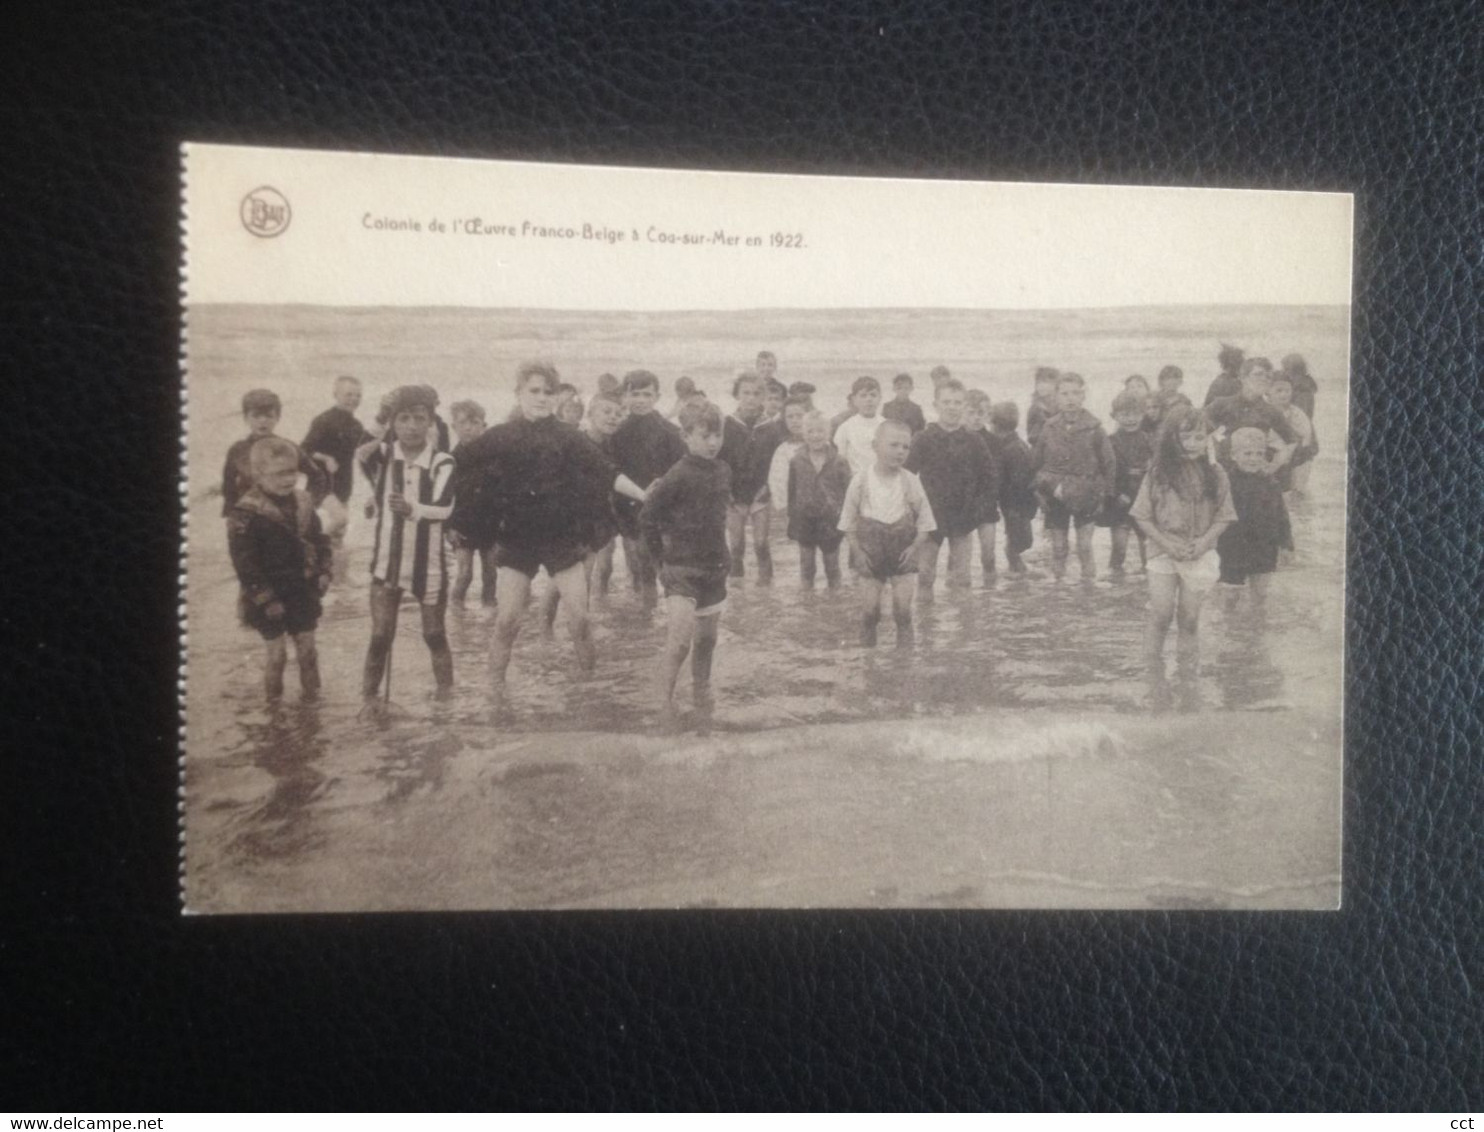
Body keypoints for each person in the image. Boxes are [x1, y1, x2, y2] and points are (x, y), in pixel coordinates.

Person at [447, 363, 648, 715]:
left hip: (562, 539)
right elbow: (453, 464)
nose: (541, 398)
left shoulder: (568, 435)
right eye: (534, 391)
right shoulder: (501, 434)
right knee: (508, 619)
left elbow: (607, 473)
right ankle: (494, 694)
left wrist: (645, 496)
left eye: (548, 392)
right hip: (518, 540)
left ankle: (589, 692)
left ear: (556, 397)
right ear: (519, 394)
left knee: (580, 619)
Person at [357, 386, 458, 716]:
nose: (412, 426)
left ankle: (446, 699)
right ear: (393, 423)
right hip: (387, 564)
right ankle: (369, 699)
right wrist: (381, 415)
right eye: (403, 419)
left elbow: (443, 509)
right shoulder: (383, 455)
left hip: (429, 566)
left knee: (434, 633)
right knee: (380, 636)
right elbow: (359, 449)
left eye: (419, 419)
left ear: (431, 422)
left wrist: (412, 508)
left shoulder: (443, 462)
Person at [1129, 406, 1237, 710]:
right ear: (1171, 438)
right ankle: (1152, 675)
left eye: (1199, 436)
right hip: (1162, 552)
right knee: (1160, 614)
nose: (1192, 443)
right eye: (1185, 436)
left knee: (1189, 620)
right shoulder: (1158, 473)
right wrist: (1165, 543)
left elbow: (1225, 516)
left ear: (1209, 439)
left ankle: (1188, 679)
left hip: (1199, 552)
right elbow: (1142, 516)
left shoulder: (1216, 473)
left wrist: (1204, 543)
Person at [641, 400, 732, 731]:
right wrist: (658, 562)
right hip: (680, 570)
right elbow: (648, 517)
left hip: (714, 569)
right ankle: (664, 704)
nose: (712, 443)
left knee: (707, 641)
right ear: (685, 435)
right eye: (704, 435)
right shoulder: (677, 474)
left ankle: (701, 696)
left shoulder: (723, 470)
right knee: (679, 642)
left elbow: (719, 516)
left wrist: (727, 556)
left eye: (717, 435)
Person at [226, 437, 332, 701]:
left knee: (308, 652)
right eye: (280, 473)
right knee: (278, 656)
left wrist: (324, 571)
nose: (289, 480)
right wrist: (266, 598)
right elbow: (244, 564)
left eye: (293, 472)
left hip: (300, 589)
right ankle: (274, 711)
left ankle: (313, 706)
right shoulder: (245, 513)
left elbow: (320, 541)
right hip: (267, 595)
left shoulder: (304, 502)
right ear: (258, 474)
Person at [839, 419, 936, 647]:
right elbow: (847, 523)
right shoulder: (860, 481)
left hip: (902, 554)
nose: (900, 451)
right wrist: (858, 554)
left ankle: (903, 665)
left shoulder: (911, 482)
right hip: (869, 554)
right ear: (875, 446)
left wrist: (914, 549)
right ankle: (868, 663)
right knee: (870, 613)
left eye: (906, 447)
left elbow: (925, 522)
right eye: (893, 445)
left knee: (903, 613)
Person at [908, 378, 997, 595]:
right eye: (946, 402)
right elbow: (907, 476)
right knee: (925, 576)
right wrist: (913, 510)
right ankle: (926, 624)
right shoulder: (923, 438)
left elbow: (989, 479)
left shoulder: (974, 440)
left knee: (963, 578)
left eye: (957, 403)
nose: (952, 407)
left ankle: (964, 627)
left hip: (963, 518)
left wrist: (977, 509)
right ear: (935, 405)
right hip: (930, 518)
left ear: (964, 406)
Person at [609, 370, 688, 604]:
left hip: (662, 508)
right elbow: (612, 471)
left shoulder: (670, 432)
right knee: (636, 564)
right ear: (625, 395)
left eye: (647, 394)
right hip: (627, 506)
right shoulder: (616, 432)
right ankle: (644, 616)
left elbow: (682, 471)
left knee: (660, 564)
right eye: (635, 394)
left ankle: (656, 612)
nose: (641, 400)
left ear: (657, 396)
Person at [1032, 372, 1114, 581]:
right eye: (1065, 393)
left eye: (1075, 393)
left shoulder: (1095, 428)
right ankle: (1059, 593)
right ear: (1056, 397)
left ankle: (1088, 592)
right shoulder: (1049, 427)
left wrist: (1105, 495)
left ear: (1083, 395)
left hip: (1086, 493)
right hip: (1055, 494)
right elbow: (1036, 462)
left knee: (1084, 547)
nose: (1070, 399)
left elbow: (1109, 464)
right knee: (1059, 548)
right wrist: (1040, 491)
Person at [1217, 427, 1293, 609]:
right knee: (1230, 596)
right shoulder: (1225, 481)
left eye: (1259, 453)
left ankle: (1255, 630)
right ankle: (1230, 630)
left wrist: (1287, 545)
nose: (1254, 458)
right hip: (1231, 546)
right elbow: (1214, 513)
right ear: (1234, 455)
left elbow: (1281, 515)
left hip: (1264, 546)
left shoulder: (1270, 481)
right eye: (1247, 453)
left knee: (1260, 595)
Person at [221, 389, 328, 517]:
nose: (262, 421)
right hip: (249, 517)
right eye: (256, 416)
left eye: (269, 416)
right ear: (246, 418)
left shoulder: (287, 447)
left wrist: (307, 505)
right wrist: (232, 514)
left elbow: (317, 477)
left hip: (281, 518)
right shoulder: (237, 450)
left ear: (277, 417)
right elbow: (229, 486)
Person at [300, 375, 373, 559]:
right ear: (336, 394)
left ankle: (338, 581)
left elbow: (367, 449)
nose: (354, 399)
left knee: (339, 537)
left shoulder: (356, 426)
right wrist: (325, 458)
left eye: (358, 395)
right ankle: (310, 548)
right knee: (341, 519)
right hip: (321, 484)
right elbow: (303, 450)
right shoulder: (323, 420)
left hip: (343, 485)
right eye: (348, 395)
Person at [718, 371, 777, 581]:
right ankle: (737, 589)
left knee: (761, 543)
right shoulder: (726, 424)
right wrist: (725, 490)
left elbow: (776, 464)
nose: (751, 398)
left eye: (756, 393)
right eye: (746, 393)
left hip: (761, 492)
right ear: (737, 395)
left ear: (763, 397)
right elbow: (719, 461)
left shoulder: (771, 427)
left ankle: (766, 589)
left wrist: (768, 488)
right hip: (734, 494)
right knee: (736, 545)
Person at [785, 410, 853, 588]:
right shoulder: (796, 461)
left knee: (832, 566)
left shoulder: (840, 461)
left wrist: (847, 521)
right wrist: (792, 519)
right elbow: (791, 491)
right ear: (803, 434)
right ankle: (808, 607)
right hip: (804, 520)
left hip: (830, 521)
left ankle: (834, 605)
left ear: (828, 433)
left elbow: (849, 493)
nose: (815, 436)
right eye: (810, 431)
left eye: (820, 431)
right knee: (806, 567)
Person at [1203, 357, 1300, 471]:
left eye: (1268, 377)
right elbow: (1197, 427)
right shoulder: (1221, 404)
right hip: (1224, 471)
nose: (1264, 379)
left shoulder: (1271, 411)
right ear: (1243, 378)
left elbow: (1292, 441)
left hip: (1255, 473)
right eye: (1258, 374)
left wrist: (1273, 466)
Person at [447, 400, 497, 607]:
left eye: (475, 422)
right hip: (461, 525)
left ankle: (489, 609)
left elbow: (501, 491)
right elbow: (443, 497)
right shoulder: (450, 460)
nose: (468, 427)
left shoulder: (492, 457)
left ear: (484, 426)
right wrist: (448, 527)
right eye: (462, 423)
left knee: (491, 572)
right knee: (465, 573)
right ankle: (456, 611)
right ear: (454, 427)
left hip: (489, 523)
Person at [1097, 390, 1154, 573]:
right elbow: (1105, 471)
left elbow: (1156, 471)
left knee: (1147, 545)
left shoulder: (1149, 440)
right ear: (1114, 416)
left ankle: (1146, 582)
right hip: (1119, 500)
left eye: (1135, 414)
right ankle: (1116, 581)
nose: (1131, 419)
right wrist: (1115, 493)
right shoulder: (1110, 441)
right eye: (1125, 414)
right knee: (1119, 546)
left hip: (1144, 499)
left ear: (1143, 413)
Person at [583, 390, 627, 596]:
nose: (612, 417)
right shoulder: (577, 443)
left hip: (604, 515)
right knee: (576, 576)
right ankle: (548, 625)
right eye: (606, 411)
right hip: (578, 520)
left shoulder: (614, 445)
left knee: (602, 567)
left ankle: (599, 603)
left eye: (618, 414)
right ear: (590, 414)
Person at [989, 402, 1037, 573]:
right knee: (1017, 542)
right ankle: (1017, 573)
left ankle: (1018, 575)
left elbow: (1017, 483)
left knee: (1017, 544)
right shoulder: (1017, 445)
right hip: (1020, 503)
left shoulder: (1010, 449)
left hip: (1016, 504)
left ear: (996, 425)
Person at [964, 389, 999, 579]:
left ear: (988, 415)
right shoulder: (957, 438)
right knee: (959, 558)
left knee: (988, 555)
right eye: (971, 413)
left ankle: (990, 597)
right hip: (962, 505)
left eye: (981, 413)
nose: (976, 418)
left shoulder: (994, 441)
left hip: (986, 505)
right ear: (963, 412)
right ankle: (957, 597)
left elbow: (998, 476)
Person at [1267, 373, 1318, 496]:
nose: (1284, 394)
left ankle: (1297, 492)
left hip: (1291, 458)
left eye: (1287, 390)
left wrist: (1293, 452)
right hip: (1269, 456)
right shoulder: (1263, 410)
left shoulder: (1296, 413)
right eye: (1279, 390)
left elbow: (1306, 437)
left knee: (1306, 453)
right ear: (1267, 391)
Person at [765, 394, 811, 525]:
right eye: (790, 417)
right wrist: (784, 507)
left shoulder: (822, 445)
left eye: (799, 416)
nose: (795, 420)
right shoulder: (783, 450)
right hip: (794, 508)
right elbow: (777, 481)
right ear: (784, 420)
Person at [832, 375, 885, 477]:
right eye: (863, 395)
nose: (869, 399)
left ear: (880, 398)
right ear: (854, 399)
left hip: (881, 480)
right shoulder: (846, 428)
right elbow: (840, 460)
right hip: (856, 481)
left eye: (873, 395)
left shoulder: (886, 425)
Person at [1149, 365, 1193, 433]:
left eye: (1176, 378)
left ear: (1180, 382)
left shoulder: (1185, 401)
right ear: (1161, 381)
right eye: (1168, 378)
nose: (1172, 382)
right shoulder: (1154, 399)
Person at [1024, 366, 1061, 447]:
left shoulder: (1062, 408)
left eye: (1045, 382)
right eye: (1038, 382)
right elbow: (1031, 437)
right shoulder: (1035, 409)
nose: (1041, 386)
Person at [1279, 353, 1319, 421]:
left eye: (1286, 369)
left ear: (1296, 370)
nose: (1284, 372)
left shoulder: (1303, 390)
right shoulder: (1295, 386)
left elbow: (1299, 416)